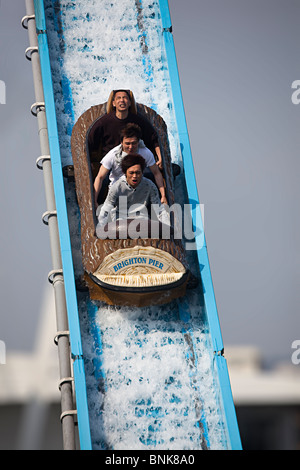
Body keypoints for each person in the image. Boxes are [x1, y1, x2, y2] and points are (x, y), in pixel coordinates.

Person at [93, 123, 167, 206]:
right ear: (121, 142)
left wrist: (163, 195)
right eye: (127, 143)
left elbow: (156, 173)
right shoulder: (113, 155)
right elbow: (100, 177)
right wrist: (95, 200)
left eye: (134, 143)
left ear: (138, 142)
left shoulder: (145, 153)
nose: (131, 147)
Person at [88, 89, 163, 169]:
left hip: (135, 161)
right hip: (112, 163)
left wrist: (160, 158)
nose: (122, 100)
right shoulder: (103, 122)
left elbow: (153, 139)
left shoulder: (138, 121)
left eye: (125, 98)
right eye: (118, 98)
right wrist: (90, 162)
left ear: (130, 103)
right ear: (113, 103)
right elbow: (90, 142)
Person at [97, 154, 168, 231]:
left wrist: (166, 227)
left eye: (138, 173)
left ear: (142, 172)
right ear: (125, 173)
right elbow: (106, 208)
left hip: (142, 220)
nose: (134, 176)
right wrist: (100, 227)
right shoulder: (117, 186)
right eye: (131, 173)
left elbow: (159, 210)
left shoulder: (150, 185)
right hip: (120, 222)